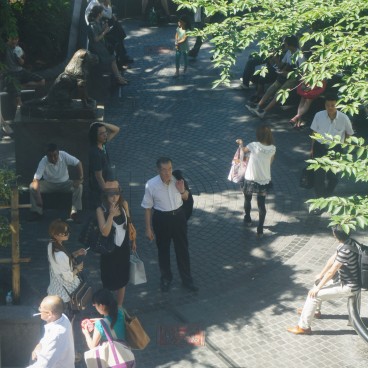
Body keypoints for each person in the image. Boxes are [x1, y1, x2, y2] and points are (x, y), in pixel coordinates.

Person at [287, 226, 360, 335]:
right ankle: (314, 311)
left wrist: (318, 288)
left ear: (336, 236)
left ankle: (303, 327)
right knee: (317, 283)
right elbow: (332, 259)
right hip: (344, 281)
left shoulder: (345, 250)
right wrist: (321, 275)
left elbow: (332, 271)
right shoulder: (348, 242)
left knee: (314, 295)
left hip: (348, 286)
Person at [141, 157, 198, 292]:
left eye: (170, 169)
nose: (168, 173)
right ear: (158, 170)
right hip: (162, 219)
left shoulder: (177, 179)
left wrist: (182, 190)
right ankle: (166, 279)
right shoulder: (151, 185)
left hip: (178, 217)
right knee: (163, 251)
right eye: (164, 170)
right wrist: (148, 228)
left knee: (182, 249)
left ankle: (187, 280)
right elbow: (147, 208)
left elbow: (186, 198)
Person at [96, 181, 137, 307]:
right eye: (110, 195)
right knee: (108, 281)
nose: (114, 197)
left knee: (122, 280)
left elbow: (129, 224)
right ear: (105, 196)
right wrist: (111, 215)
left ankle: (118, 307)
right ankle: (107, 308)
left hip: (123, 249)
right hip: (109, 251)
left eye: (117, 194)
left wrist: (133, 241)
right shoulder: (101, 210)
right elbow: (105, 232)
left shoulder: (124, 204)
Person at [246, 35, 305, 119]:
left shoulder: (300, 56)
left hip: (294, 79)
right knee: (273, 87)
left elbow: (301, 74)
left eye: (285, 43)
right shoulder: (289, 52)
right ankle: (258, 106)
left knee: (279, 93)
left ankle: (264, 111)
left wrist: (286, 73)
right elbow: (281, 65)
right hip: (286, 74)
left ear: (289, 44)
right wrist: (274, 57)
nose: (283, 45)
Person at [310, 95, 354, 203]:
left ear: (337, 105)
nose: (330, 108)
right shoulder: (318, 115)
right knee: (318, 176)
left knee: (333, 176)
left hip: (336, 148)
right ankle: (320, 200)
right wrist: (312, 148)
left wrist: (344, 147)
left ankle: (327, 193)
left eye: (333, 105)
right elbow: (314, 132)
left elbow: (349, 133)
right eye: (327, 105)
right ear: (325, 105)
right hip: (320, 147)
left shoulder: (344, 118)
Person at [236, 125, 276, 237]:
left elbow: (243, 151)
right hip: (264, 179)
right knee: (261, 204)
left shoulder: (253, 145)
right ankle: (260, 229)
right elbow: (270, 163)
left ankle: (248, 219)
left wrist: (240, 143)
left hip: (250, 178)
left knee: (247, 199)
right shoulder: (273, 148)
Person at [29, 143, 84, 222]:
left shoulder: (64, 155)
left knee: (79, 186)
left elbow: (78, 163)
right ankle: (37, 212)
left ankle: (74, 212)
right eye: (50, 156)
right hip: (49, 184)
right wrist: (38, 197)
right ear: (47, 156)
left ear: (58, 153)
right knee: (32, 186)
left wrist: (80, 179)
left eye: (55, 155)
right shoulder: (43, 161)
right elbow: (36, 180)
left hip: (65, 183)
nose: (53, 158)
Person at [47, 219, 87, 318]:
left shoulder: (51, 245)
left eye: (68, 231)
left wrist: (76, 253)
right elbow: (68, 277)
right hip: (64, 293)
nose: (67, 234)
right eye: (64, 232)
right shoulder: (60, 254)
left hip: (55, 287)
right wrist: (77, 269)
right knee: (66, 318)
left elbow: (63, 262)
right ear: (56, 235)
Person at [27, 296, 75, 368]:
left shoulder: (56, 336)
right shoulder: (63, 317)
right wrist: (39, 345)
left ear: (49, 314)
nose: (39, 310)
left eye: (40, 308)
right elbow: (47, 337)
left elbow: (43, 366)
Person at [87, 5, 129, 85]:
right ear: (99, 14)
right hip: (97, 47)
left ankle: (119, 77)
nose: (103, 13)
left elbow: (99, 33)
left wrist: (104, 28)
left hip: (101, 45)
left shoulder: (97, 22)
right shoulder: (93, 25)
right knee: (112, 58)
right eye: (102, 12)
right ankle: (119, 78)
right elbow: (96, 39)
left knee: (113, 54)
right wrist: (105, 32)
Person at [5, 35, 45, 107]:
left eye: (16, 39)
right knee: (18, 101)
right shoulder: (4, 48)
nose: (14, 41)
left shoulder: (19, 48)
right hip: (11, 74)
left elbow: (22, 63)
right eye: (12, 39)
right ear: (8, 39)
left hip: (21, 71)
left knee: (42, 81)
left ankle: (21, 86)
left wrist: (18, 56)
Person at [88, 122, 120, 208]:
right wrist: (107, 193)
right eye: (101, 133)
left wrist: (100, 123)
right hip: (102, 189)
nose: (105, 135)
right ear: (95, 136)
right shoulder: (96, 153)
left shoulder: (102, 144)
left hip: (109, 182)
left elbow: (116, 129)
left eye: (105, 132)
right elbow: (99, 177)